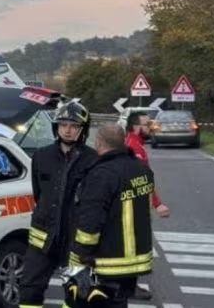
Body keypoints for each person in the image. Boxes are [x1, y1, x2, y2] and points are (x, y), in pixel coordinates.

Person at [18, 100, 99, 308]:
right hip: (43, 237)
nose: (68, 130)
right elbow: (39, 194)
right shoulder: (41, 156)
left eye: (74, 126)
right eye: (63, 125)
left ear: (83, 130)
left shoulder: (93, 160)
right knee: (29, 289)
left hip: (75, 240)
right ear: (56, 128)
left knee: (77, 295)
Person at [64, 123, 155, 307]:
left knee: (84, 301)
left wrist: (80, 255)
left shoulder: (102, 174)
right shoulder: (142, 170)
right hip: (135, 261)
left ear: (98, 143)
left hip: (106, 261)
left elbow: (91, 220)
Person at [123, 111, 169, 301]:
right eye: (146, 124)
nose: (149, 127)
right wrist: (157, 204)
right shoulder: (134, 147)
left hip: (133, 204)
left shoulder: (134, 144)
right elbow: (142, 179)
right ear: (136, 127)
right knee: (133, 247)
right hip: (133, 206)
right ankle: (129, 287)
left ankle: (129, 285)